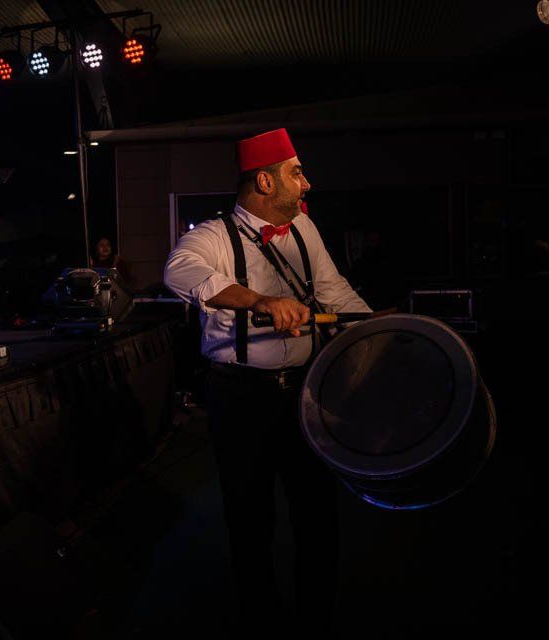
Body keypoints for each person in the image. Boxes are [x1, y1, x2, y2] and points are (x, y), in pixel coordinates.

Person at [164, 128, 371, 633]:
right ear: (264, 181)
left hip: (304, 391)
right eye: (296, 173)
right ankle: (262, 623)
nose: (307, 183)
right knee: (250, 519)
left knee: (317, 515)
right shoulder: (212, 236)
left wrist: (375, 330)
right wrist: (258, 300)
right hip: (239, 398)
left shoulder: (304, 228)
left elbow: (334, 291)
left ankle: (316, 620)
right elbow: (178, 271)